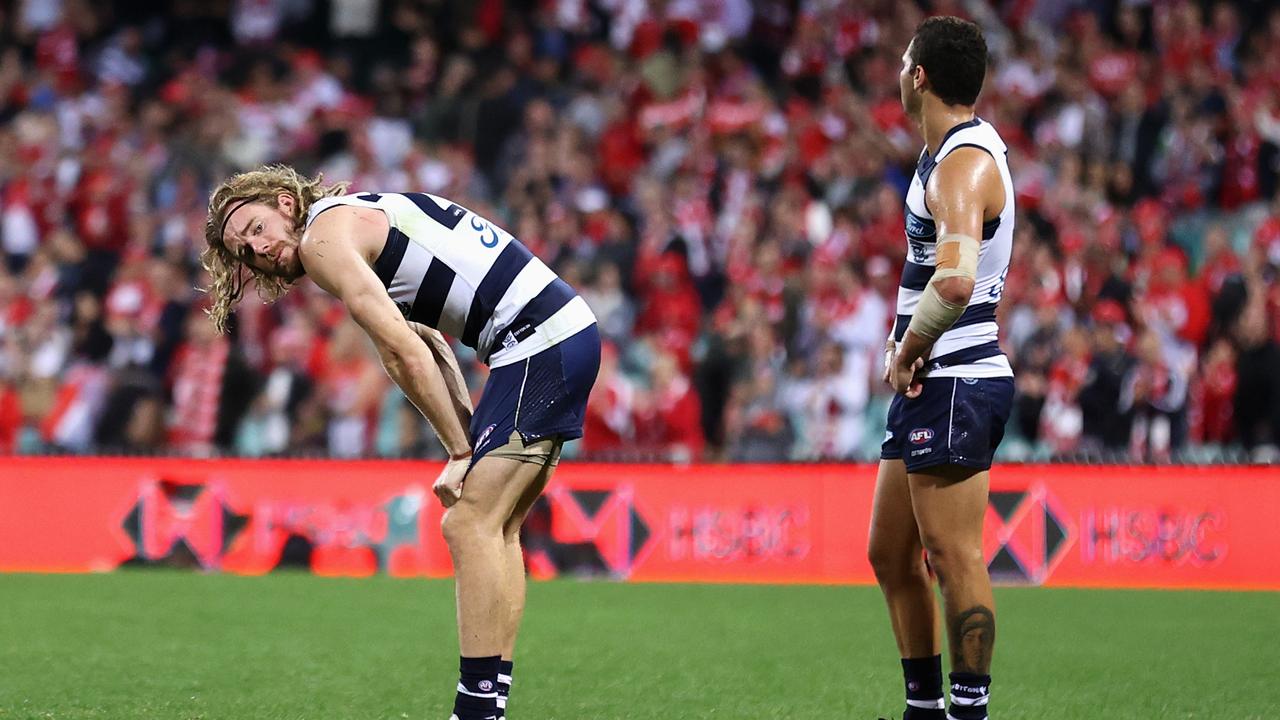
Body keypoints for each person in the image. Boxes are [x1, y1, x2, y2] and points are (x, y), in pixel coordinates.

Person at [201, 166, 600, 720]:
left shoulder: (323, 242)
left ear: (287, 204)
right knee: (496, 526)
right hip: (550, 336)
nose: (256, 248)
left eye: (256, 227)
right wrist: (465, 443)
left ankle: (477, 711)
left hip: (537, 341)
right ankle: (489, 706)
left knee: (467, 522)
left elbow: (400, 354)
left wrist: (461, 454)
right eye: (242, 248)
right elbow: (429, 343)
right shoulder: (354, 220)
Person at [868, 17, 1014, 720]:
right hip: (933, 380)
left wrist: (906, 349)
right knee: (890, 553)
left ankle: (968, 709)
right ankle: (923, 707)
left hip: (955, 375)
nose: (898, 72)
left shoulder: (964, 163)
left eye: (902, 62)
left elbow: (955, 280)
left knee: (952, 557)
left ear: (919, 76)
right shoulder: (941, 156)